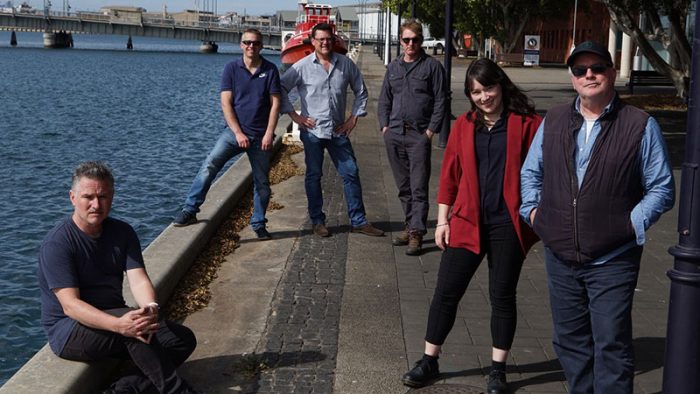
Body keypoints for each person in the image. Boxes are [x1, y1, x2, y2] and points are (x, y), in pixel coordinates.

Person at [520, 41, 675, 393]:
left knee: (611, 346)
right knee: (570, 344)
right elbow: (531, 172)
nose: (589, 74)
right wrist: (534, 213)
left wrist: (629, 225)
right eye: (580, 69)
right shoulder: (555, 118)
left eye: (597, 68)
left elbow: (662, 188)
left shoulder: (639, 125)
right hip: (561, 256)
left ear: (611, 72)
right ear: (573, 78)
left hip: (612, 258)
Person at [402, 58, 541, 393]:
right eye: (476, 92)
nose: (484, 97)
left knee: (502, 296)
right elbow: (449, 176)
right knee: (446, 294)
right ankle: (429, 360)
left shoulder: (529, 124)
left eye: (488, 88)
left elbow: (542, 173)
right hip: (466, 222)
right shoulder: (464, 125)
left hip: (508, 225)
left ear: (501, 85)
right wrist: (442, 220)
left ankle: (497, 369)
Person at [38, 161, 198, 393]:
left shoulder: (122, 232)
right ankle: (177, 390)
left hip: (114, 315)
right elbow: (70, 306)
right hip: (70, 330)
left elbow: (138, 278)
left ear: (112, 197)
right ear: (73, 198)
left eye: (103, 197)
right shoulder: (58, 243)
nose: (96, 204)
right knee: (135, 328)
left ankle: (125, 389)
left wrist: (150, 307)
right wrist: (119, 325)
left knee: (181, 339)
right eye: (88, 197)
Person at [173, 28, 281, 240]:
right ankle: (190, 210)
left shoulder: (270, 70)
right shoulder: (231, 68)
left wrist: (269, 133)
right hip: (234, 134)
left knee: (262, 184)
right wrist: (238, 133)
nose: (252, 46)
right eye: (248, 42)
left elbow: (275, 104)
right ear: (241, 45)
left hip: (260, 136)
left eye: (256, 43)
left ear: (261, 46)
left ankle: (259, 223)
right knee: (210, 165)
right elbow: (226, 103)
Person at [280, 23, 384, 238]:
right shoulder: (301, 66)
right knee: (313, 176)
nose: (325, 42)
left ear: (333, 39)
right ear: (313, 41)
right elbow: (280, 88)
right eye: (320, 39)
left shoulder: (345, 65)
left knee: (351, 173)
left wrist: (353, 118)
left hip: (338, 131)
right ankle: (317, 221)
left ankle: (359, 221)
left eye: (328, 38)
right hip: (313, 132)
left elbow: (361, 92)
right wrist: (295, 116)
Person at [378, 19, 446, 255]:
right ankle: (410, 225)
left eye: (415, 40)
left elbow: (441, 100)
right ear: (400, 40)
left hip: (418, 135)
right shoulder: (394, 67)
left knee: (418, 186)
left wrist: (430, 131)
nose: (410, 44)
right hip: (394, 134)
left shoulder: (432, 67)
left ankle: (417, 233)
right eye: (406, 40)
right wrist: (384, 127)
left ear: (421, 41)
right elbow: (385, 99)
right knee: (403, 186)